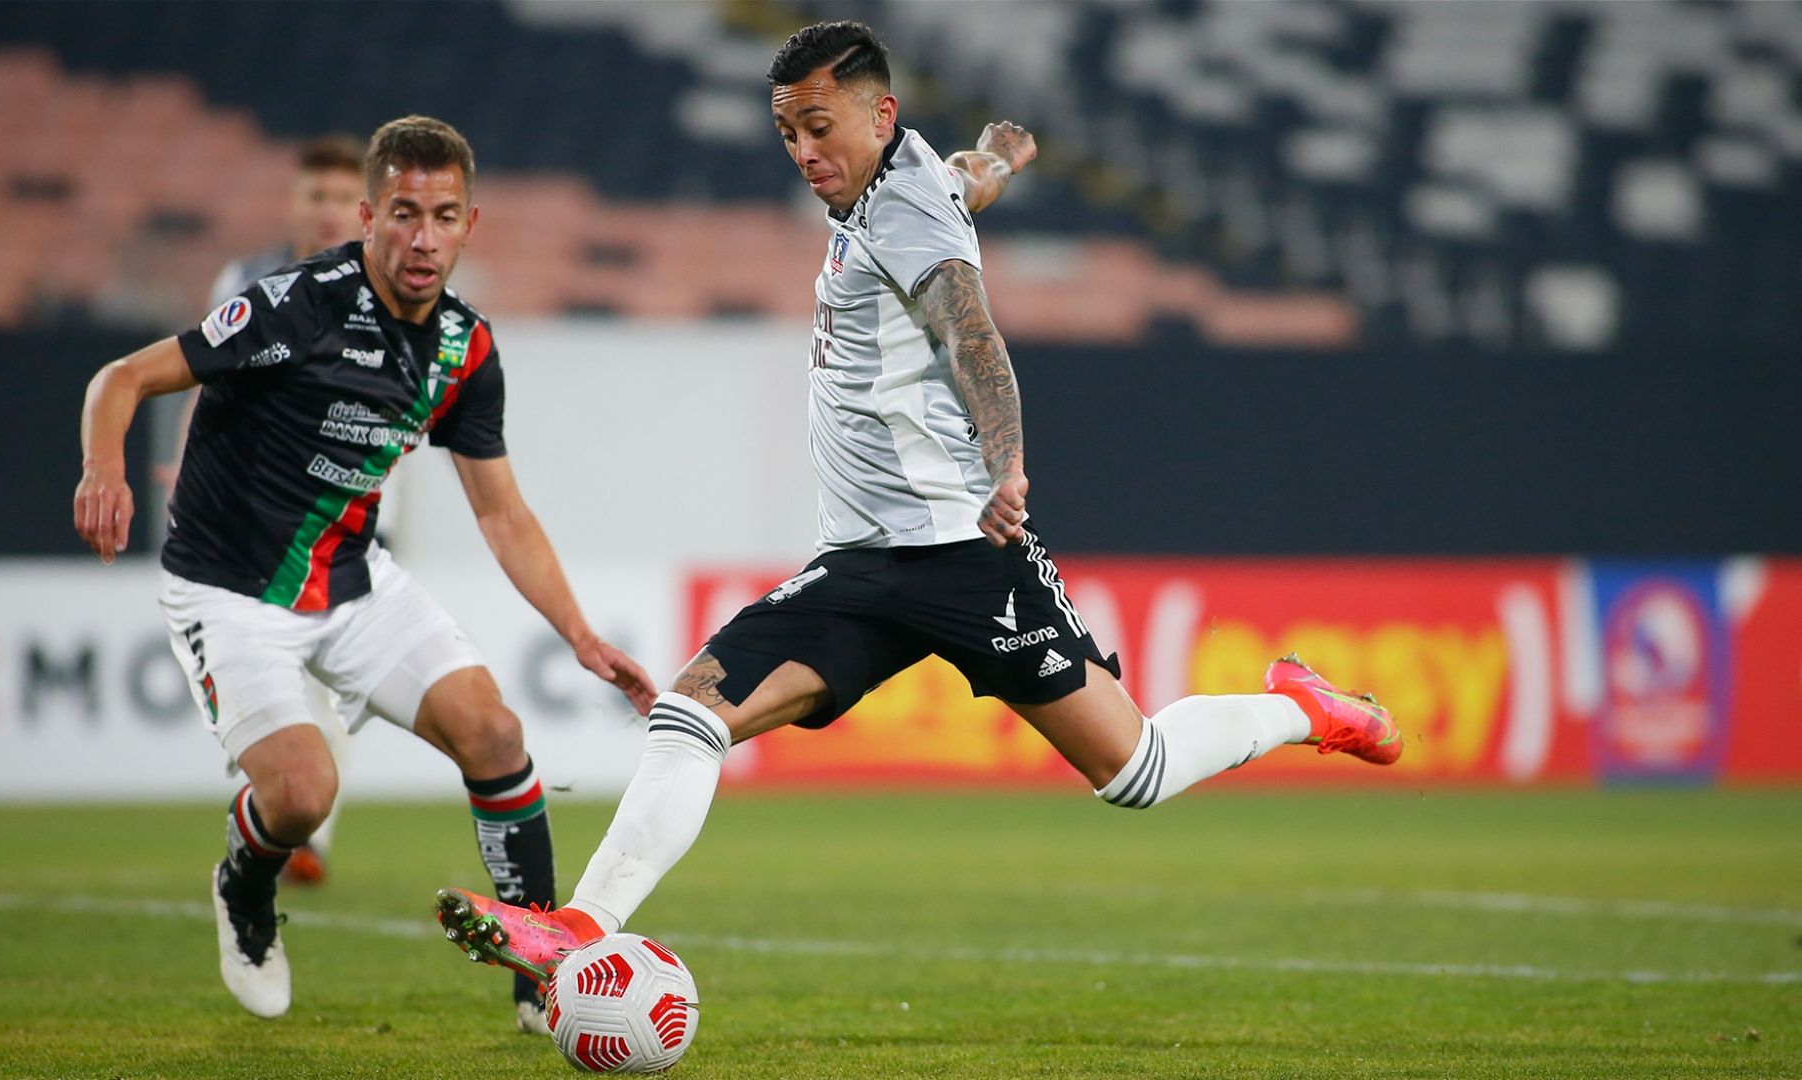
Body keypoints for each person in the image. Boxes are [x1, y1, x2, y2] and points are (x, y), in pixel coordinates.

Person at [432, 22, 1402, 987]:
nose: (805, 153)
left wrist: (1006, 460)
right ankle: (576, 928)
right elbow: (965, 182)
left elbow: (971, 331)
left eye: (819, 127)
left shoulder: (904, 217)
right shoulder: (913, 178)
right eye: (787, 135)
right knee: (690, 714)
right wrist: (1002, 162)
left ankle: (1300, 709)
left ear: (879, 113)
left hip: (965, 554)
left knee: (1135, 772)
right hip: (858, 566)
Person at [74, 115, 657, 1032]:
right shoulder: (294, 305)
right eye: (404, 214)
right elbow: (121, 378)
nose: (423, 239)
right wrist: (104, 470)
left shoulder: (466, 349)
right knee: (303, 794)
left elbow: (502, 512)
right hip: (228, 590)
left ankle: (539, 975)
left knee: (495, 734)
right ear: (367, 215)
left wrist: (580, 636)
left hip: (350, 579)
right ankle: (244, 884)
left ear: (473, 224)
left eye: (445, 216)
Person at [187, 134, 370, 888]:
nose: (327, 212)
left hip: (340, 512)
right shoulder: (247, 280)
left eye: (340, 198)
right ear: (293, 203)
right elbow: (210, 376)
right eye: (315, 195)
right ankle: (280, 805)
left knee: (330, 680)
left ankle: (304, 833)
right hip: (248, 516)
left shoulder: (380, 286)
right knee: (265, 669)